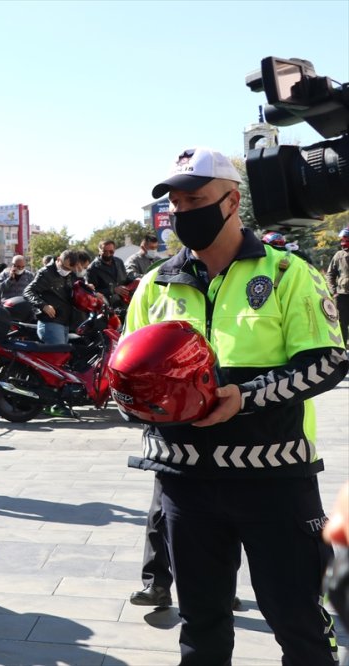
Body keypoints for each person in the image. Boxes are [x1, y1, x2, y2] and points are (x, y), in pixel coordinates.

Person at [125, 146, 347, 665]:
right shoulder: (153, 285)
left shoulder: (290, 272)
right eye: (176, 204)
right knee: (200, 628)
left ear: (231, 200)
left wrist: (243, 398)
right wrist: (132, 402)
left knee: (300, 625)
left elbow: (328, 362)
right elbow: (125, 375)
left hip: (273, 482)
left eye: (195, 199)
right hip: (184, 485)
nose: (183, 213)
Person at [24, 248, 82, 344]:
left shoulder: (71, 274)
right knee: (58, 354)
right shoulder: (45, 273)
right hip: (50, 322)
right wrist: (43, 305)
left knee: (63, 356)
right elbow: (28, 291)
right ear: (58, 259)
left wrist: (86, 287)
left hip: (65, 321)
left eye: (70, 269)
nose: (66, 271)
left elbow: (75, 287)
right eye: (65, 267)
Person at [86, 240, 131, 311]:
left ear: (114, 250)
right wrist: (113, 290)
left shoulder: (119, 262)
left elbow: (125, 279)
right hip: (107, 308)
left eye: (111, 251)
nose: (108, 254)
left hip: (126, 303)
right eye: (105, 251)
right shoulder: (92, 268)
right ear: (99, 251)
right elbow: (92, 292)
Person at [327, 228, 349, 346]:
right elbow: (330, 274)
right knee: (341, 324)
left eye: (345, 239)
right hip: (341, 296)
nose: (343, 241)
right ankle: (343, 350)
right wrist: (333, 291)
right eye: (342, 239)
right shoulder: (338, 255)